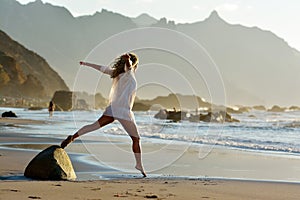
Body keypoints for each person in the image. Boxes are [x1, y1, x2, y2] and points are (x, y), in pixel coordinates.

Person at [60, 53, 146, 177]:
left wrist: (86, 64)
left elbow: (102, 68)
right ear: (135, 64)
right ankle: (139, 164)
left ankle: (72, 138)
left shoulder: (116, 73)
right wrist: (128, 60)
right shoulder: (129, 73)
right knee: (136, 139)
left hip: (112, 109)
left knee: (93, 126)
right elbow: (129, 66)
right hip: (123, 112)